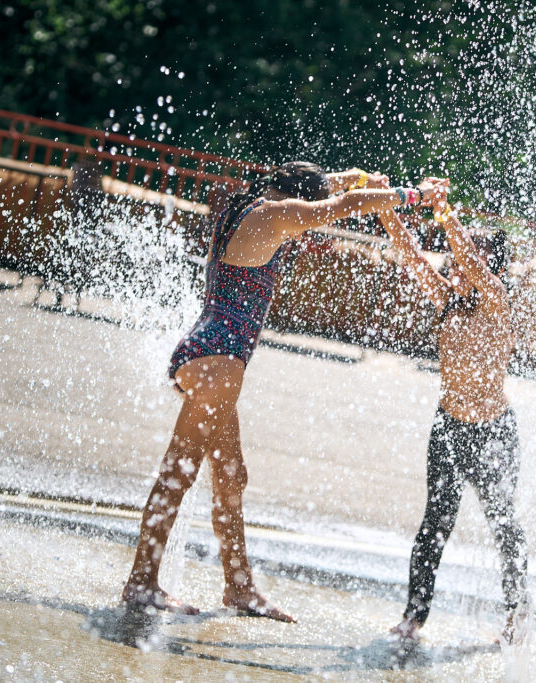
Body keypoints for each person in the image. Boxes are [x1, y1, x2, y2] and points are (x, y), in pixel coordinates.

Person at [122, 162, 445, 621]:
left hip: (207, 356)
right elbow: (341, 205)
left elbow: (330, 191)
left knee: (231, 475)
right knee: (178, 473)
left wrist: (357, 178)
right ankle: (141, 584)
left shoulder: (251, 206)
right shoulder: (275, 215)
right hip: (216, 365)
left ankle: (239, 587)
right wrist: (415, 195)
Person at [377, 192, 530, 644]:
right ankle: (414, 616)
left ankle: (516, 615)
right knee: (435, 523)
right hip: (448, 428)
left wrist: (444, 212)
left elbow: (472, 264)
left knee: (504, 524)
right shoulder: (448, 299)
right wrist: (384, 208)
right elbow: (410, 254)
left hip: (494, 432)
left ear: (492, 267)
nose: (461, 265)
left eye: (474, 259)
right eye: (460, 258)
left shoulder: (497, 299)